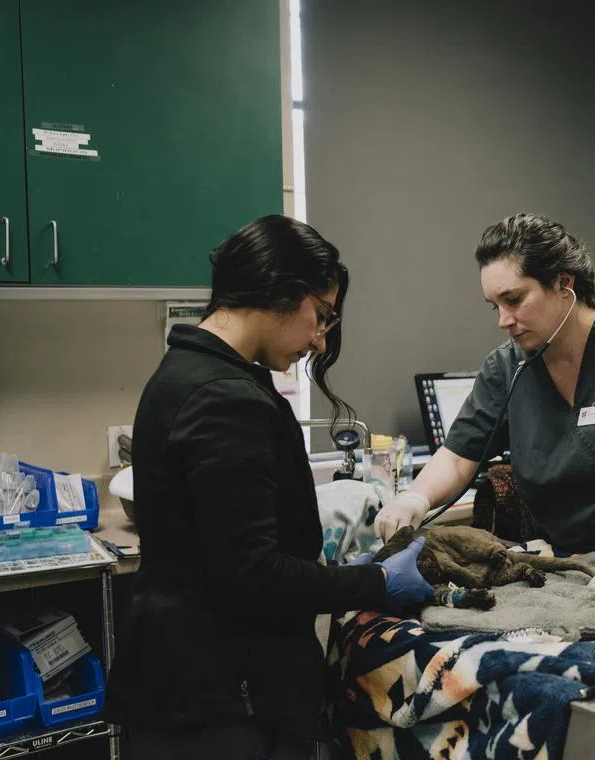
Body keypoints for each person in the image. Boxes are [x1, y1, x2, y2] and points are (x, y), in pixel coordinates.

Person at [104, 215, 432, 759]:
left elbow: (223, 537)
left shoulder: (183, 371)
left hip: (189, 690)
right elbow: (253, 576)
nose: (320, 339)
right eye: (320, 315)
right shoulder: (224, 399)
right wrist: (374, 581)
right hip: (224, 703)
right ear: (281, 290)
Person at [374, 213, 595, 586]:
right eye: (495, 306)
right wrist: (415, 497)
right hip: (577, 570)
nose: (503, 320)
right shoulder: (506, 368)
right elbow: (459, 457)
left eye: (514, 300)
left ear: (563, 284)